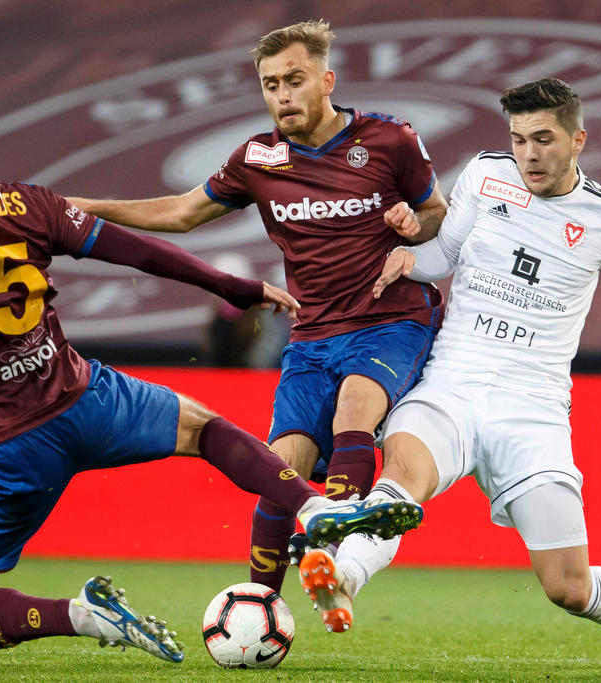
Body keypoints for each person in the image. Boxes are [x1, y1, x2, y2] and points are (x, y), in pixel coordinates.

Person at [0, 75, 423, 663]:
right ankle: (313, 508)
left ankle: (83, 616)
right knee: (204, 429)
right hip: (83, 399)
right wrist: (232, 286)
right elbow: (140, 252)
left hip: (3, 445)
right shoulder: (32, 204)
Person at [298, 77, 601, 668]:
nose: (529, 153)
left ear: (578, 140)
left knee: (568, 588)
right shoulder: (484, 174)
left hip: (533, 408)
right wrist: (406, 255)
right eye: (519, 138)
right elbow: (445, 256)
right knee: (402, 476)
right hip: (452, 382)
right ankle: (344, 575)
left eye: (543, 139)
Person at [66, 20, 448, 593]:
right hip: (313, 333)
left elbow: (437, 212)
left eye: (294, 80)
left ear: (326, 80)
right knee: (282, 462)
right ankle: (261, 599)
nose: (281, 95)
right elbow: (180, 213)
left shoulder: (390, 139)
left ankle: (337, 562)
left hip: (390, 319)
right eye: (270, 84)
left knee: (355, 409)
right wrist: (78, 208)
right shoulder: (257, 159)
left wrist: (413, 226)